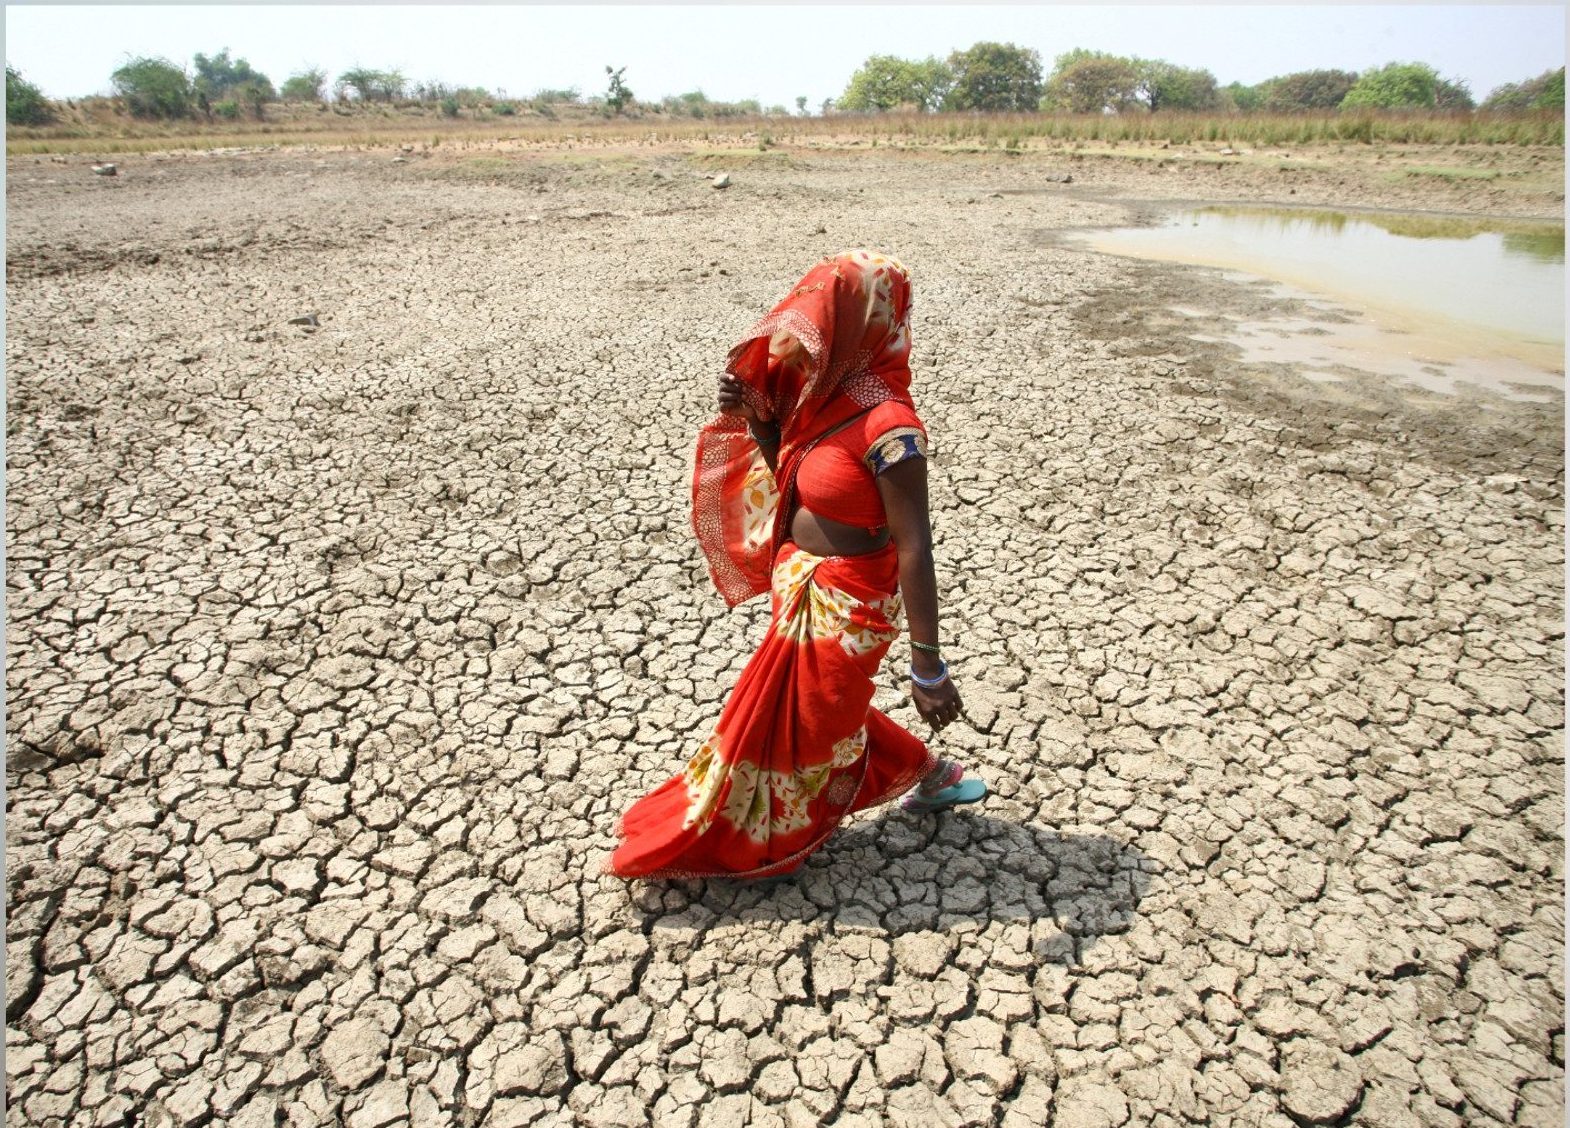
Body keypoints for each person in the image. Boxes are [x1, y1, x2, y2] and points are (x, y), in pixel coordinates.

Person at [608, 250, 986, 882]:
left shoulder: (891, 424)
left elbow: (915, 545)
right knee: (812, 705)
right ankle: (931, 773)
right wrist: (760, 418)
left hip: (851, 598)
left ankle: (759, 836)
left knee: (811, 716)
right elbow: (786, 474)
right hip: (800, 582)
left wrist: (928, 666)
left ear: (863, 326)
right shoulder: (820, 399)